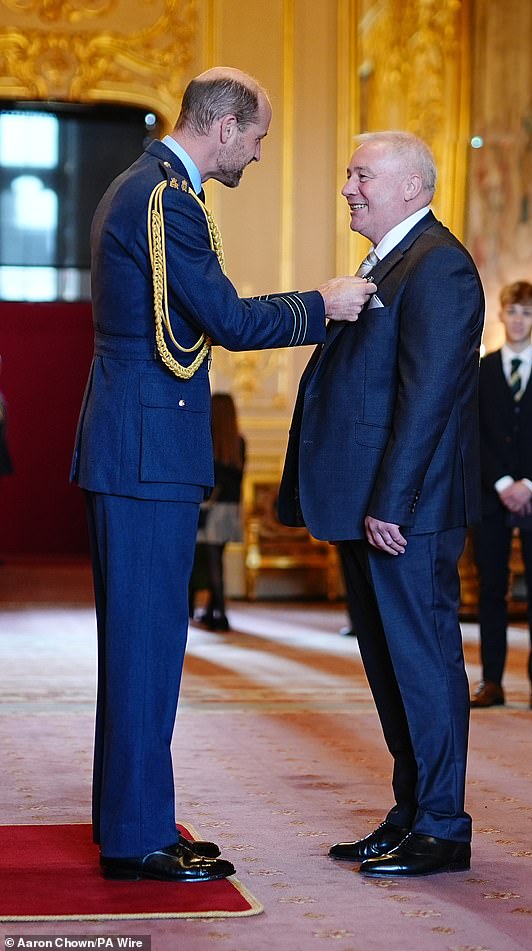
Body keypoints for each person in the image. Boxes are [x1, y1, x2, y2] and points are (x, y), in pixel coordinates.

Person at [70, 66, 374, 883]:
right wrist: (323, 302)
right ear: (227, 125)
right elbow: (231, 320)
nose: (260, 155)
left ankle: (129, 817)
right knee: (145, 643)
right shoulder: (167, 198)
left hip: (136, 441)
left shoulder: (147, 183)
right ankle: (137, 839)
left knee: (140, 640)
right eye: (260, 138)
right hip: (146, 449)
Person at [278, 131, 485, 877]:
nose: (348, 186)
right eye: (347, 171)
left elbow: (427, 399)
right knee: (391, 667)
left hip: (408, 513)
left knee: (423, 666)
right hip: (374, 505)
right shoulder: (392, 261)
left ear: (411, 186)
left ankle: (442, 825)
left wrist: (392, 503)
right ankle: (411, 813)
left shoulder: (440, 267)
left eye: (361, 173)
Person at [470, 281, 532, 712]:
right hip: (491, 495)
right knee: (492, 588)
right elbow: (473, 432)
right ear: (502, 315)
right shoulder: (482, 370)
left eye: (526, 313)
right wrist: (501, 483)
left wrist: (528, 484)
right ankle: (492, 680)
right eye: (512, 311)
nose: (518, 320)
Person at [190, 392, 245, 631]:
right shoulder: (238, 442)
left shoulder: (209, 442)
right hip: (231, 510)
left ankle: (220, 613)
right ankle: (215, 611)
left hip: (212, 510)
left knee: (209, 563)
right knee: (217, 561)